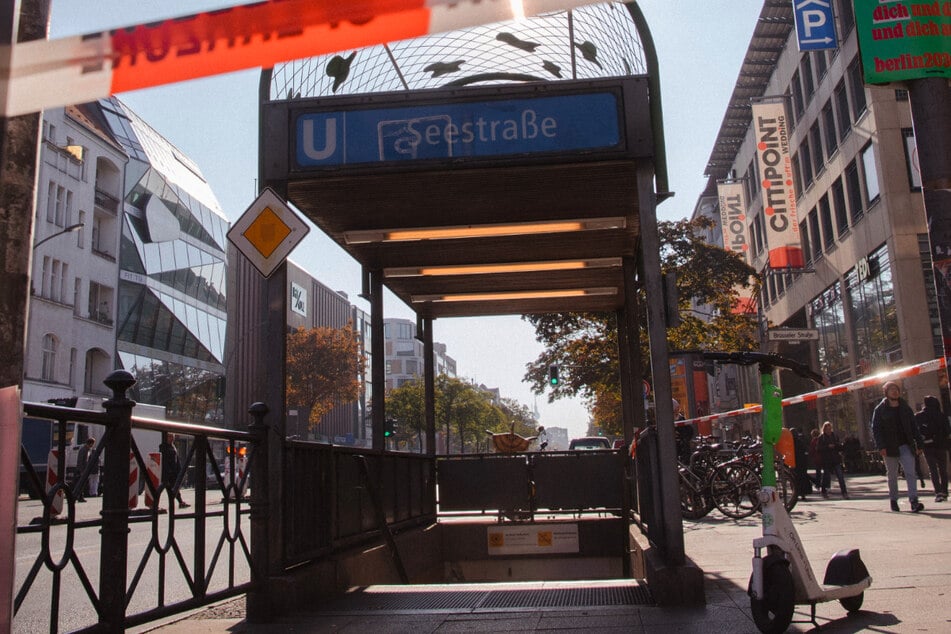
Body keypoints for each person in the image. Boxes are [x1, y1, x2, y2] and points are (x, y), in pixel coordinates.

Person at [870, 381, 925, 512]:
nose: (895, 391)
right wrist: (881, 446)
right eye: (891, 389)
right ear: (886, 392)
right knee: (892, 475)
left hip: (906, 445)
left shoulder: (905, 407)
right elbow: (876, 429)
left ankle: (914, 501)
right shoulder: (880, 409)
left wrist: (919, 443)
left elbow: (914, 426)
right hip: (889, 447)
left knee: (910, 473)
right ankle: (894, 500)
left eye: (896, 389)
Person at [915, 395, 950, 502]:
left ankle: (938, 492)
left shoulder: (919, 416)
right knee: (943, 469)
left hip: (927, 445)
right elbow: (948, 431)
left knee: (933, 469)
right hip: (941, 445)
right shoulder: (941, 415)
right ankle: (944, 491)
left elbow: (916, 431)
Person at [816, 421, 849, 499]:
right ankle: (824, 491)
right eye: (827, 429)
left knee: (840, 477)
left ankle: (844, 492)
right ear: (824, 429)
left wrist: (837, 446)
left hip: (835, 459)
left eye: (830, 429)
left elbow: (839, 446)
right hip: (826, 460)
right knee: (826, 477)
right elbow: (818, 448)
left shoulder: (834, 436)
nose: (828, 431)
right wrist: (827, 447)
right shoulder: (821, 437)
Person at [160, 432, 190, 509]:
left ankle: (179, 502)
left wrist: (179, 470)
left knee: (173, 488)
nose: (172, 438)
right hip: (168, 472)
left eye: (172, 437)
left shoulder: (172, 446)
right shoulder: (164, 447)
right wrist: (168, 471)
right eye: (170, 437)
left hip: (173, 472)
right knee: (166, 488)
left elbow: (176, 460)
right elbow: (165, 461)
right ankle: (178, 502)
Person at [791, 428, 812, 500]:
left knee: (795, 479)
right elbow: (805, 450)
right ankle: (802, 493)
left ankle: (797, 493)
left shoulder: (792, 442)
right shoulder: (800, 441)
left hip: (796, 463)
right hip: (801, 462)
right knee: (802, 478)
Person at [673, 399, 695, 463]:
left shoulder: (680, 419)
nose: (677, 410)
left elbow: (688, 431)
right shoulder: (679, 418)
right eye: (676, 408)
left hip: (682, 446)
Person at [75, 437, 95, 502]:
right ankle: (78, 496)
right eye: (92, 444)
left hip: (84, 469)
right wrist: (82, 471)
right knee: (81, 484)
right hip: (82, 470)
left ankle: (80, 496)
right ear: (90, 443)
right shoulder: (84, 450)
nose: (93, 445)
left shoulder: (86, 449)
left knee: (82, 484)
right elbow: (81, 461)